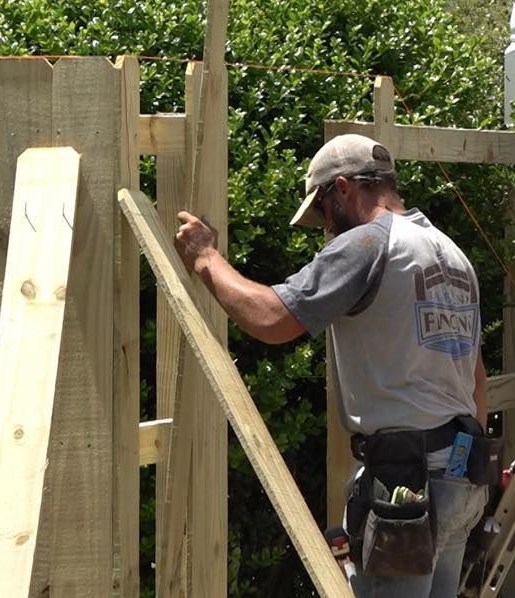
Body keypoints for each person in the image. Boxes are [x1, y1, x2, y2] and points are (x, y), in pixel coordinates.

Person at [173, 133, 490, 597]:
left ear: (342, 188)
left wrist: (206, 259)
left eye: (322, 214)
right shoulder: (449, 252)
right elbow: (477, 377)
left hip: (406, 485)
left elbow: (273, 318)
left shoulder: (368, 244)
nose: (326, 230)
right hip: (459, 474)